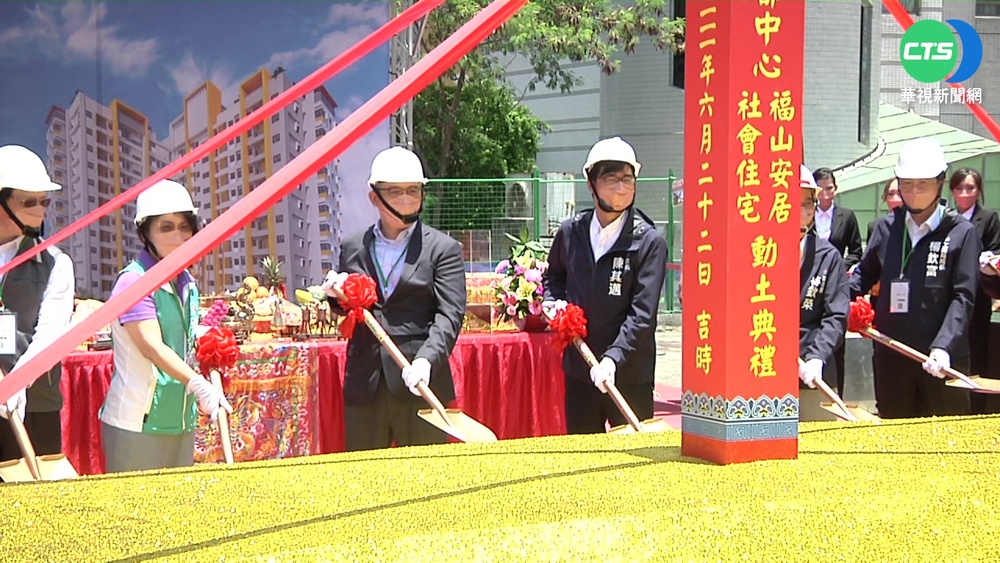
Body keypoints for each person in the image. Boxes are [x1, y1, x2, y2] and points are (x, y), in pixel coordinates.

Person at [323, 147, 466, 451]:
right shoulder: (353, 246)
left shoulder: (443, 249)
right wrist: (335, 295)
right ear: (374, 196)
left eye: (413, 190)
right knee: (364, 476)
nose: (405, 199)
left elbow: (449, 316)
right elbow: (348, 309)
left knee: (426, 480)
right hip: (366, 382)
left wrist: (427, 360)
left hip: (419, 380)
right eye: (394, 191)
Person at [100, 180, 231, 473]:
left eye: (184, 226)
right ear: (146, 232)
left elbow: (182, 334)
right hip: (138, 420)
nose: (178, 235)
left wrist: (208, 338)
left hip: (179, 418)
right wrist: (198, 384)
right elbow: (151, 345)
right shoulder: (134, 281)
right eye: (166, 227)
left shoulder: (186, 281)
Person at [542, 137, 668, 434]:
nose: (621, 188)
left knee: (629, 462)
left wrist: (612, 359)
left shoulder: (648, 241)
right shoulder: (571, 232)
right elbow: (555, 277)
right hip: (580, 368)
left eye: (627, 179)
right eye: (611, 179)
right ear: (591, 184)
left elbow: (642, 314)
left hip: (628, 373)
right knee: (583, 453)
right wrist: (553, 302)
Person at [851, 138, 980, 419]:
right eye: (906, 184)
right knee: (896, 438)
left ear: (941, 184)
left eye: (923, 184)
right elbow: (861, 277)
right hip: (891, 354)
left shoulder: (961, 232)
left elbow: (963, 297)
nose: (914, 192)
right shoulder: (887, 227)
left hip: (941, 359)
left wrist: (944, 347)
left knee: (945, 440)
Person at [0, 145, 75, 466]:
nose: (41, 210)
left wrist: (16, 383)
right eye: (29, 202)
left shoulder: (56, 262)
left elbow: (50, 335)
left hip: (34, 404)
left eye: (44, 200)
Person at [796, 165, 850, 420]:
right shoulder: (753, 255)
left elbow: (836, 315)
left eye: (807, 203)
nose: (801, 211)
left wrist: (817, 356)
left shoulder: (828, 256)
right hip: (762, 371)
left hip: (812, 374)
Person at [949, 168, 1000, 414]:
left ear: (979, 191)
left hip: (977, 296)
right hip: (948, 295)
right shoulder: (947, 217)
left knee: (977, 351)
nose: (964, 193)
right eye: (959, 188)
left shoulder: (988, 218)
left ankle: (977, 409)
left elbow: (995, 250)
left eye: (970, 188)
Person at [811, 167, 862, 396]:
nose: (825, 194)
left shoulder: (846, 216)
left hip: (835, 280)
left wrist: (836, 266)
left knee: (835, 334)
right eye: (820, 189)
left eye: (829, 188)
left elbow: (856, 252)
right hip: (810, 283)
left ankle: (836, 393)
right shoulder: (805, 213)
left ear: (835, 189)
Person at [867, 178, 903, 242]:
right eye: (890, 194)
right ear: (885, 197)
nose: (895, 198)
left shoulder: (917, 225)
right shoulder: (875, 227)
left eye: (899, 193)